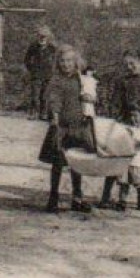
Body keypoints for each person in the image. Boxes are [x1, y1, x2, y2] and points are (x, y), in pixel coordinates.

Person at [99, 52, 140, 209]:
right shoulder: (122, 81)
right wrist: (116, 118)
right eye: (126, 65)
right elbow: (115, 102)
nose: (129, 67)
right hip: (126, 124)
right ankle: (106, 197)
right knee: (117, 159)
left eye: (132, 64)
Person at [38, 47, 94, 213]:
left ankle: (77, 198)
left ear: (75, 62)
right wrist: (54, 116)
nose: (66, 64)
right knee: (58, 163)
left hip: (78, 125)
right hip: (61, 126)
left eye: (69, 61)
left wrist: (89, 98)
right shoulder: (56, 80)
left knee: (76, 162)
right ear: (58, 63)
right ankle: (53, 198)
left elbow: (89, 93)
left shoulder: (81, 79)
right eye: (62, 61)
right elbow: (53, 99)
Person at [22, 27, 59, 120]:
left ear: (48, 38)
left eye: (44, 37)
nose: (42, 39)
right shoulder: (33, 46)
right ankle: (33, 113)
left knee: (44, 96)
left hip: (47, 75)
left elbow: (57, 60)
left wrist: (53, 70)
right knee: (35, 95)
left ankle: (43, 114)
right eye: (40, 36)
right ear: (38, 37)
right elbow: (26, 59)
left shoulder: (52, 48)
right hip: (36, 75)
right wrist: (31, 69)